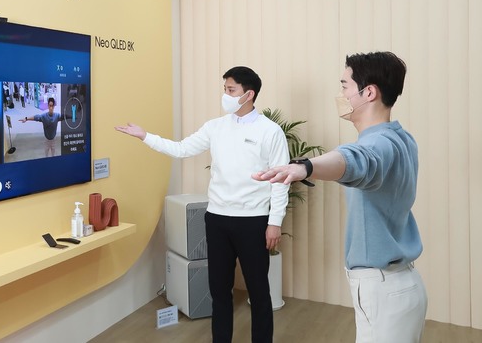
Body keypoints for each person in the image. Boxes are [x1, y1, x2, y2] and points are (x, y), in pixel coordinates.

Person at [252, 51, 427, 343]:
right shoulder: (402, 138)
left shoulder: (378, 144)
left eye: (345, 86)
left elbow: (357, 160)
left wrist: (306, 167)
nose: (341, 94)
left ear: (368, 92)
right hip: (403, 286)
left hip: (383, 291)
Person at [115, 66, 289, 343]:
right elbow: (181, 149)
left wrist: (274, 222)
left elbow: (281, 180)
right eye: (225, 89)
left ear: (249, 94)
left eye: (231, 90)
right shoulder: (215, 127)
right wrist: (146, 136)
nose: (225, 95)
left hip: (253, 221)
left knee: (258, 292)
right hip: (217, 219)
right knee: (219, 291)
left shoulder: (270, 131)